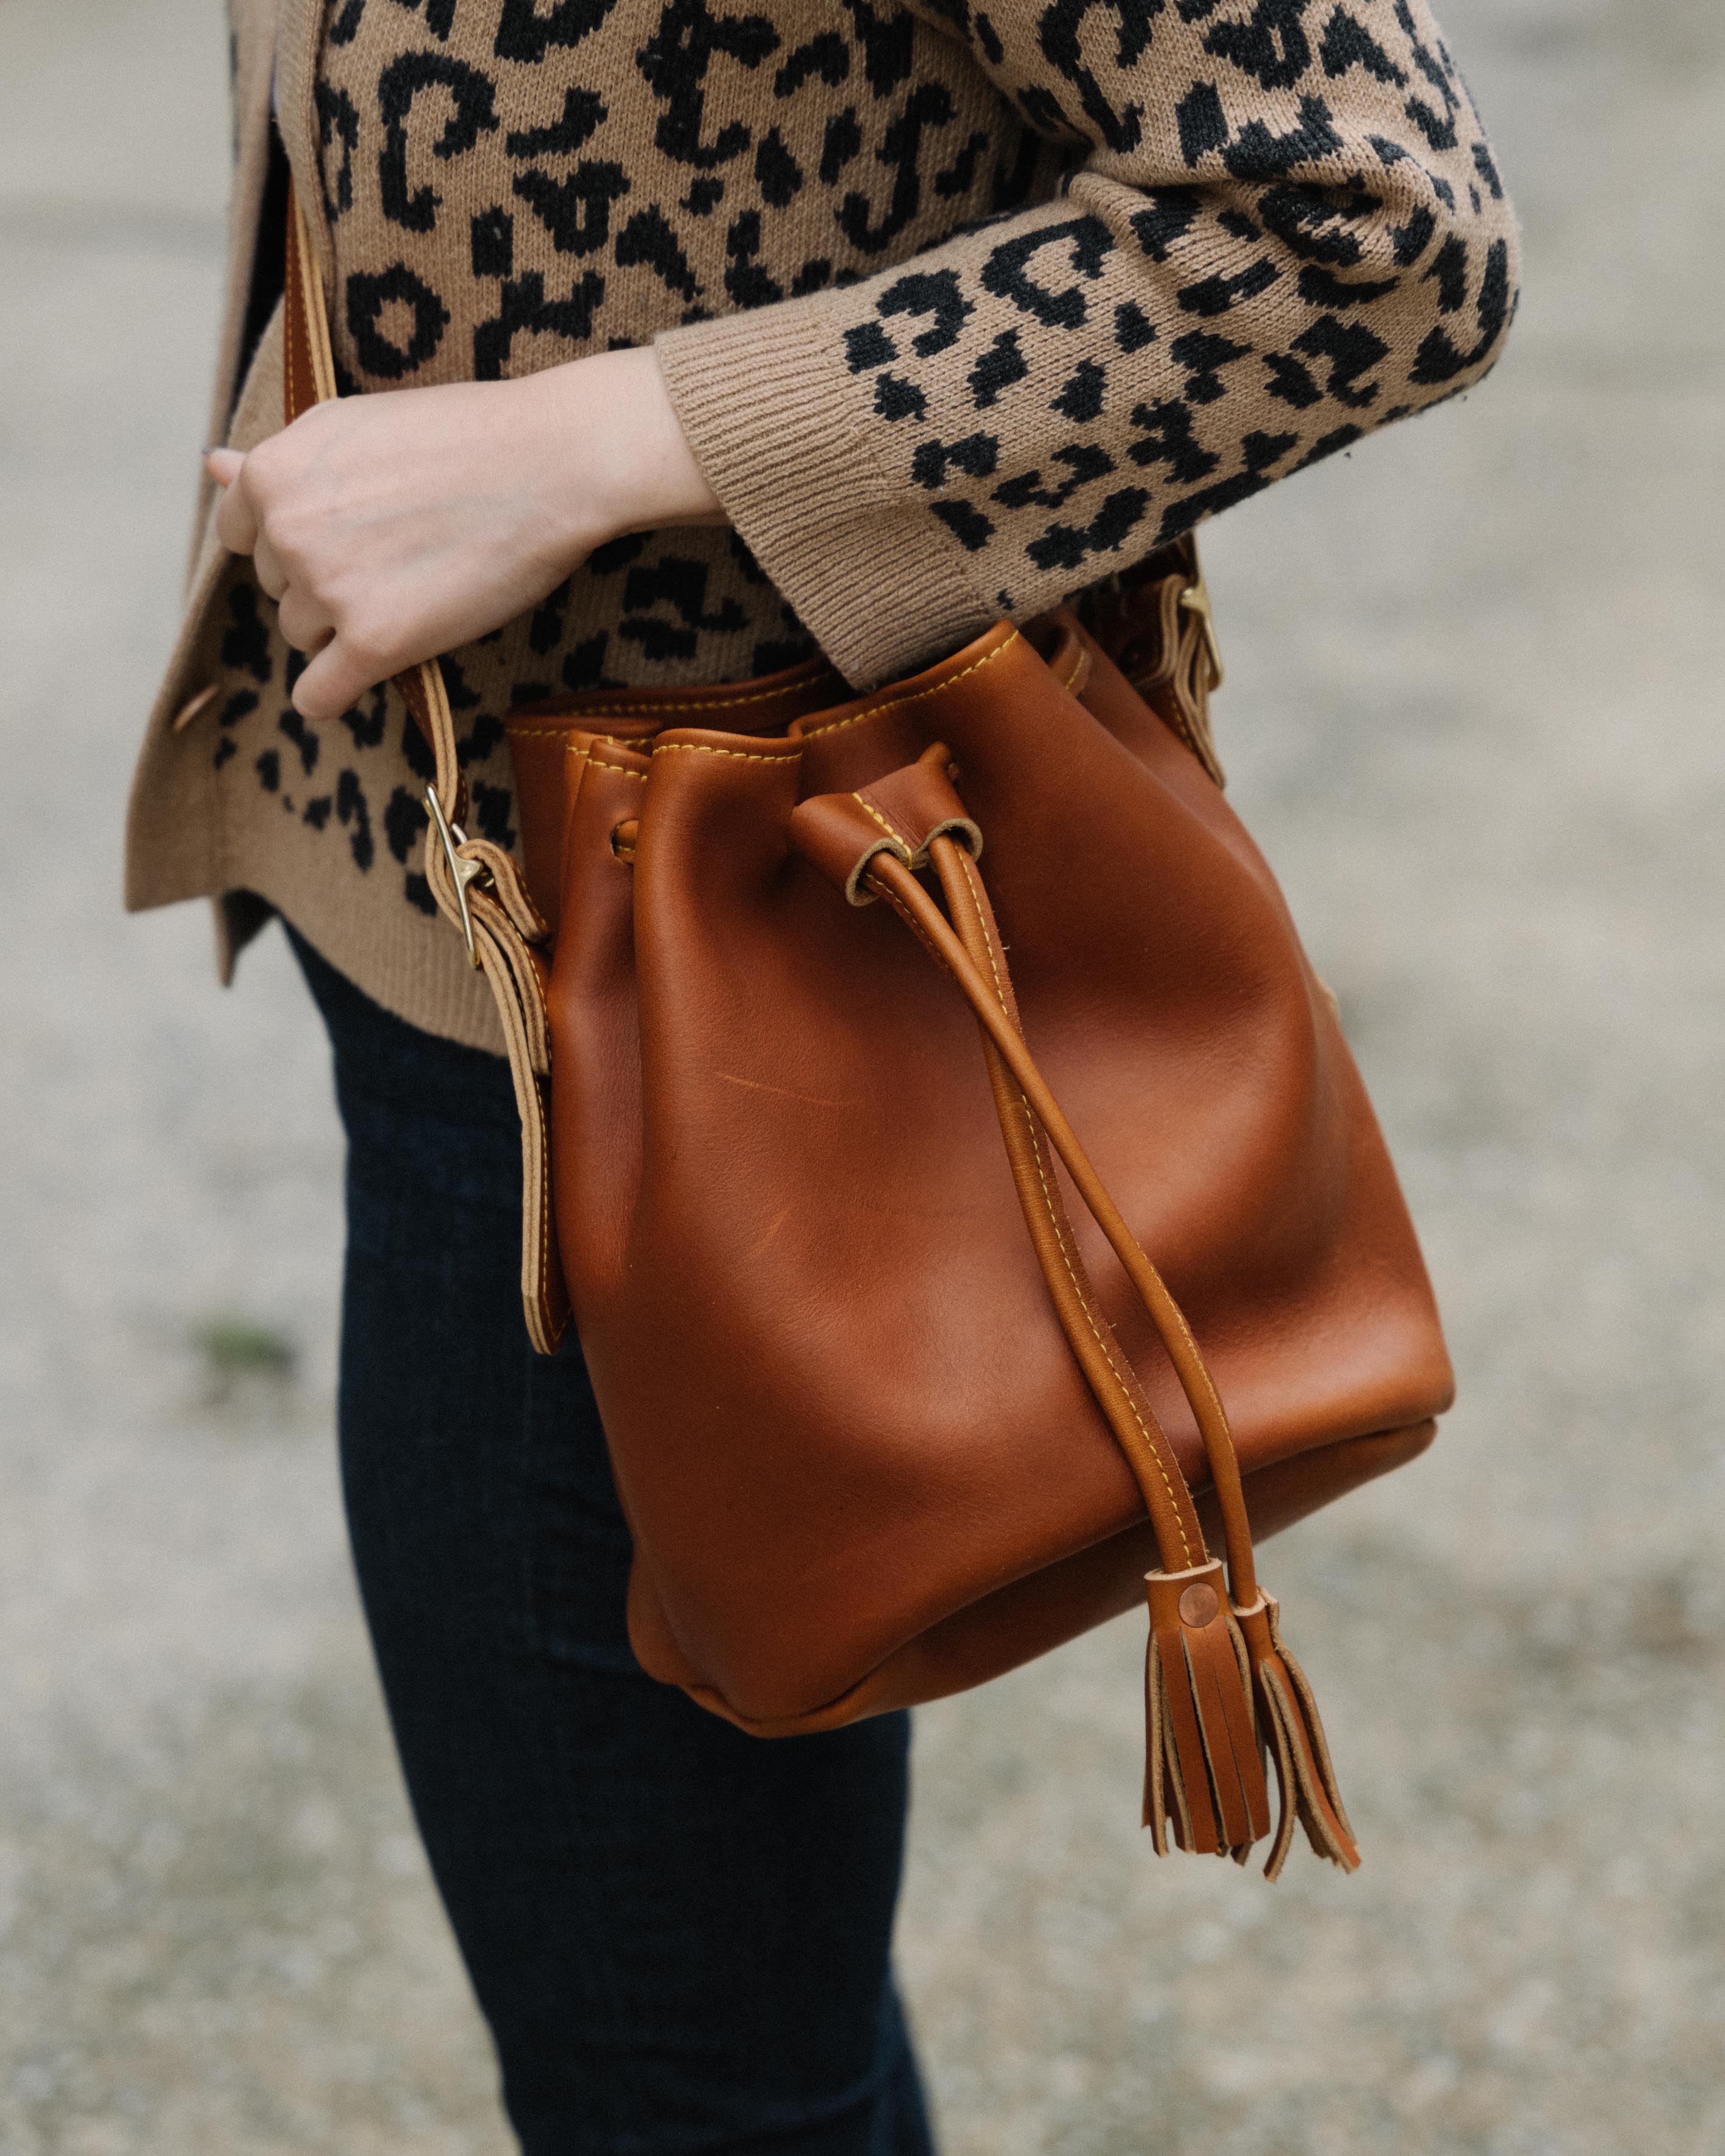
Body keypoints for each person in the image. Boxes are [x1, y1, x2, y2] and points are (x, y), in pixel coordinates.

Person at [127, 1, 1517, 2147]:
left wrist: (587, 442)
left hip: (707, 991)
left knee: (688, 2085)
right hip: (487, 941)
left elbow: (1368, 227)